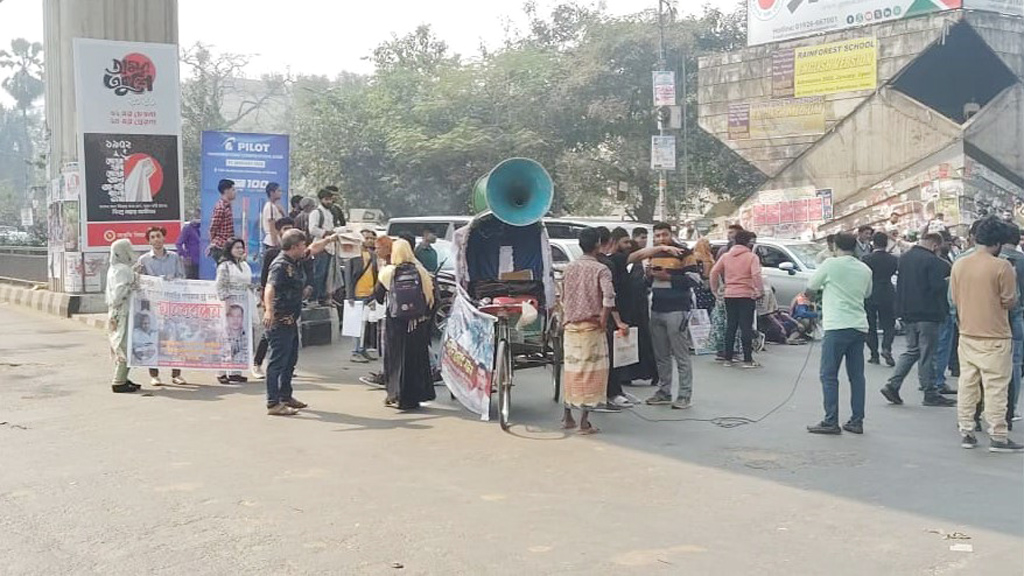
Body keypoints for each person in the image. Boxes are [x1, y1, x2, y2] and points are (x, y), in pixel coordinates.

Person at [949, 216, 1023, 451]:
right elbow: (1010, 301)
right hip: (996, 336)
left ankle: (966, 431)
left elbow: (954, 299)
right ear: (998, 242)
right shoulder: (1002, 266)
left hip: (967, 333)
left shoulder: (959, 264)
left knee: (968, 383)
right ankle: (998, 435)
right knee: (996, 387)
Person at [261, 229, 338, 416]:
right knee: (277, 363)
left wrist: (329, 239)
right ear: (294, 246)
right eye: (302, 245)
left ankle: (286, 396)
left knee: (290, 361)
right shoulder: (280, 265)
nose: (305, 248)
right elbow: (270, 287)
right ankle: (273, 403)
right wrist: (269, 310)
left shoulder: (295, 260)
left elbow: (314, 248)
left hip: (291, 320)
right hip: (280, 320)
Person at [560, 227, 627, 434]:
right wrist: (603, 321)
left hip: (571, 327)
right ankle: (584, 422)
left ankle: (567, 416)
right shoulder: (600, 269)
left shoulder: (569, 268)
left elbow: (562, 297)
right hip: (591, 326)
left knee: (572, 370)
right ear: (598, 244)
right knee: (591, 373)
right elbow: (608, 297)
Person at [805, 232, 873, 435]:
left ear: (834, 246)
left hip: (836, 325)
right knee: (857, 376)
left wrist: (820, 292)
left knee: (829, 374)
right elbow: (867, 293)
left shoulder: (830, 264)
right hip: (859, 325)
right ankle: (857, 420)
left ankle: (830, 420)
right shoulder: (865, 269)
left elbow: (810, 288)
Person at [880, 233, 957, 407]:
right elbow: (937, 287)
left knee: (913, 350)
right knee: (928, 353)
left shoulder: (905, 258)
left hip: (908, 312)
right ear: (936, 246)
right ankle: (929, 392)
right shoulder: (934, 262)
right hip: (928, 313)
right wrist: (947, 282)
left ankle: (892, 385)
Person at [631, 222, 699, 409]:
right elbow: (648, 283)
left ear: (671, 234)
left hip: (677, 309)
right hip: (657, 308)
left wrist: (668, 277)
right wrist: (648, 276)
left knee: (681, 355)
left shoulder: (685, 253)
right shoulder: (653, 254)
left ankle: (684, 395)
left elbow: (694, 280)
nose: (661, 238)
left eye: (664, 234)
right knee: (661, 355)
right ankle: (664, 392)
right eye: (658, 235)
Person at [374, 239, 436, 410]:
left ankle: (396, 395)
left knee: (396, 359)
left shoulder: (388, 272)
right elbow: (432, 299)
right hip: (417, 323)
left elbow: (378, 297)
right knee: (415, 359)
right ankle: (415, 397)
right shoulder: (421, 271)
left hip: (396, 322)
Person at [138, 226, 187, 386]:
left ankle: (176, 374)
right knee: (153, 339)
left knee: (175, 340)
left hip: (173, 306)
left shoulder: (174, 257)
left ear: (164, 238)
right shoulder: (144, 260)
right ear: (149, 240)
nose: (156, 239)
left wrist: (172, 280)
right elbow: (138, 280)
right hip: (153, 307)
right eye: (152, 237)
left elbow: (182, 277)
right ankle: (154, 374)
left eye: (159, 236)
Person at [709, 230, 763, 368]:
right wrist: (759, 291)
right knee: (746, 326)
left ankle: (728, 359)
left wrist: (715, 290)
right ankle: (747, 360)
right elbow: (756, 275)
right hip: (746, 294)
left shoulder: (726, 256)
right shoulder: (752, 257)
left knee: (731, 326)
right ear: (748, 242)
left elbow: (714, 272)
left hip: (729, 294)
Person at [253, 217, 296, 378]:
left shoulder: (296, 254)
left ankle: (286, 367)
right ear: (279, 232)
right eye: (285, 228)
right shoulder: (272, 253)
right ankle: (257, 363)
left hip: (289, 304)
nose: (288, 231)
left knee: (286, 337)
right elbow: (266, 280)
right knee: (268, 332)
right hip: (273, 301)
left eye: (291, 228)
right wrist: (265, 302)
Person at [599, 227, 634, 409]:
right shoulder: (607, 265)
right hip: (607, 318)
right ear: (610, 242)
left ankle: (610, 391)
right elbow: (608, 297)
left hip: (585, 320)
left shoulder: (574, 266)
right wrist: (616, 320)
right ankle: (612, 392)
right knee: (611, 357)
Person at [215, 238, 254, 384]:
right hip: (230, 302)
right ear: (229, 249)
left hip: (244, 303)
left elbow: (248, 284)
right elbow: (221, 285)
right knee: (227, 337)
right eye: (236, 247)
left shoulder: (244, 265)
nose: (239, 250)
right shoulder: (225, 266)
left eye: (241, 247)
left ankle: (236, 371)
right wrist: (226, 302)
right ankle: (222, 371)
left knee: (241, 337)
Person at [106, 239, 140, 393]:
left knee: (119, 344)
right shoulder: (123, 270)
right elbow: (119, 293)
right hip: (123, 312)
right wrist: (131, 285)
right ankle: (118, 381)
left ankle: (124, 377)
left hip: (114, 312)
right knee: (124, 346)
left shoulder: (114, 268)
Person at [998, 223, 1024, 423]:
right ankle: (1011, 409)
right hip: (1018, 316)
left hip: (994, 317)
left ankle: (984, 407)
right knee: (1015, 362)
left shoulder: (994, 260)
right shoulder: (1022, 261)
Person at [623, 238, 658, 385]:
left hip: (636, 308)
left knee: (640, 341)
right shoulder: (629, 266)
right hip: (632, 308)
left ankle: (648, 372)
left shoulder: (635, 267)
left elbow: (639, 287)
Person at [861, 231, 898, 366]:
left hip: (870, 292)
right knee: (889, 324)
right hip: (888, 291)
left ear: (873, 243)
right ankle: (886, 347)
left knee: (870, 325)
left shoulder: (866, 259)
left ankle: (874, 354)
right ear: (886, 243)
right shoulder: (893, 259)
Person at [346, 228, 380, 364]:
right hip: (357, 294)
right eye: (367, 238)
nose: (370, 240)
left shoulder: (373, 255)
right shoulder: (353, 255)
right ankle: (355, 351)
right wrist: (350, 296)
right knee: (356, 326)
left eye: (372, 238)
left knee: (366, 324)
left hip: (369, 294)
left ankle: (362, 349)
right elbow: (348, 276)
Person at [309, 188, 338, 305]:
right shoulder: (316, 213)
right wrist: (327, 233)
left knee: (327, 275)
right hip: (320, 247)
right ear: (321, 200)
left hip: (330, 247)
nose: (329, 202)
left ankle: (322, 298)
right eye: (327, 199)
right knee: (318, 274)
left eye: (330, 199)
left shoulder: (330, 213)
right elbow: (312, 229)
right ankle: (313, 299)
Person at [207, 179, 236, 263]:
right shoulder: (221, 207)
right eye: (233, 190)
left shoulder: (227, 206)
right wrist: (213, 243)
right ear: (226, 191)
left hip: (226, 246)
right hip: (220, 247)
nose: (235, 192)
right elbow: (213, 228)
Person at [175, 209, 201, 279]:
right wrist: (185, 256)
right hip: (192, 262)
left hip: (205, 262)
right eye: (195, 216)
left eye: (199, 216)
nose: (197, 218)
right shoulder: (188, 228)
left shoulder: (205, 227)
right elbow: (178, 243)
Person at [262, 182, 286, 249]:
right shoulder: (270, 206)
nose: (280, 193)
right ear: (272, 192)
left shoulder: (275, 206)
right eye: (278, 191)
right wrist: (275, 243)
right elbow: (272, 226)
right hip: (272, 241)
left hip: (277, 239)